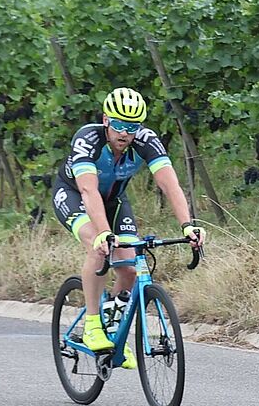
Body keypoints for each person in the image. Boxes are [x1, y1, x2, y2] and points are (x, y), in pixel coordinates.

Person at [52, 88, 204, 368]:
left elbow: (169, 184)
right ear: (106, 120)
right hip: (75, 195)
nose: (125, 133)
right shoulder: (88, 139)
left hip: (115, 201)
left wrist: (188, 226)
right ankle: (93, 324)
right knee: (98, 249)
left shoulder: (146, 141)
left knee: (130, 269)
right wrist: (102, 233)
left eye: (132, 127)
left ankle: (113, 327)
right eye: (119, 125)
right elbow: (88, 190)